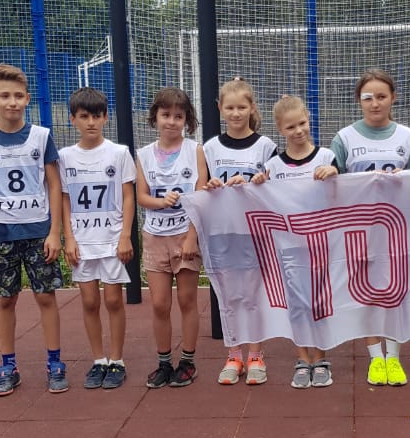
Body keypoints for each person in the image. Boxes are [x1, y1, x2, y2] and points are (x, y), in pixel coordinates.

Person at [0, 63, 67, 396]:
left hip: (38, 232)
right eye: (4, 96)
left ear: (27, 98)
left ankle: (55, 363)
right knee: (5, 301)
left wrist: (54, 232)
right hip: (1, 235)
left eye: (17, 96)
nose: (11, 102)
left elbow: (54, 185)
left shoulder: (41, 136)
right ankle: (8, 366)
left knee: (46, 296)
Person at [330, 68, 410, 387]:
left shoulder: (406, 136)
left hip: (395, 229)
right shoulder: (344, 138)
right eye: (368, 97)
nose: (375, 103)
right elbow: (334, 185)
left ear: (393, 98)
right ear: (359, 100)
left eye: (381, 96)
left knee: (395, 293)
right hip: (359, 231)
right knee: (366, 294)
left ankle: (393, 357)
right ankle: (375, 358)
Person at [252, 94, 338, 388]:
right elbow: (259, 200)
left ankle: (321, 358)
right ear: (280, 129)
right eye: (290, 127)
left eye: (302, 123)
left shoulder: (326, 158)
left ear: (308, 119)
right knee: (297, 305)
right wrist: (257, 184)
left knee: (320, 303)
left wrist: (336, 174)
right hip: (288, 247)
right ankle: (303, 359)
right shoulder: (273, 166)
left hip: (321, 244)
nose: (298, 130)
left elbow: (344, 195)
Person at [59, 88, 136, 389]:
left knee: (113, 300)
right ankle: (98, 359)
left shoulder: (119, 153)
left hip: (111, 239)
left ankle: (117, 360)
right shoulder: (65, 157)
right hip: (82, 241)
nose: (90, 122)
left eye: (96, 116)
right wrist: (68, 238)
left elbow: (128, 196)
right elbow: (65, 199)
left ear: (106, 117)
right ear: (73, 119)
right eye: (84, 116)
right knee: (89, 301)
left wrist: (125, 235)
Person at [203, 77, 276, 385]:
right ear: (220, 108)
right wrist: (211, 185)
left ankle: (256, 355)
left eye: (241, 107)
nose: (235, 113)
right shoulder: (210, 148)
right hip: (223, 232)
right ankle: (234, 355)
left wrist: (257, 183)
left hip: (254, 232)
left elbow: (276, 189)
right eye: (230, 107)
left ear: (252, 108)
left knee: (253, 295)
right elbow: (201, 189)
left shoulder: (266, 146)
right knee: (229, 296)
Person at [137, 87, 208, 388]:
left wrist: (192, 236)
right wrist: (160, 202)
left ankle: (188, 361)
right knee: (159, 303)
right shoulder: (143, 155)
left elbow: (201, 196)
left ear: (187, 120)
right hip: (155, 236)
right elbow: (141, 196)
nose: (171, 121)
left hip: (184, 235)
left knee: (187, 300)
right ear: (155, 117)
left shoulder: (195, 151)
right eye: (166, 115)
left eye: (178, 116)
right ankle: (164, 362)